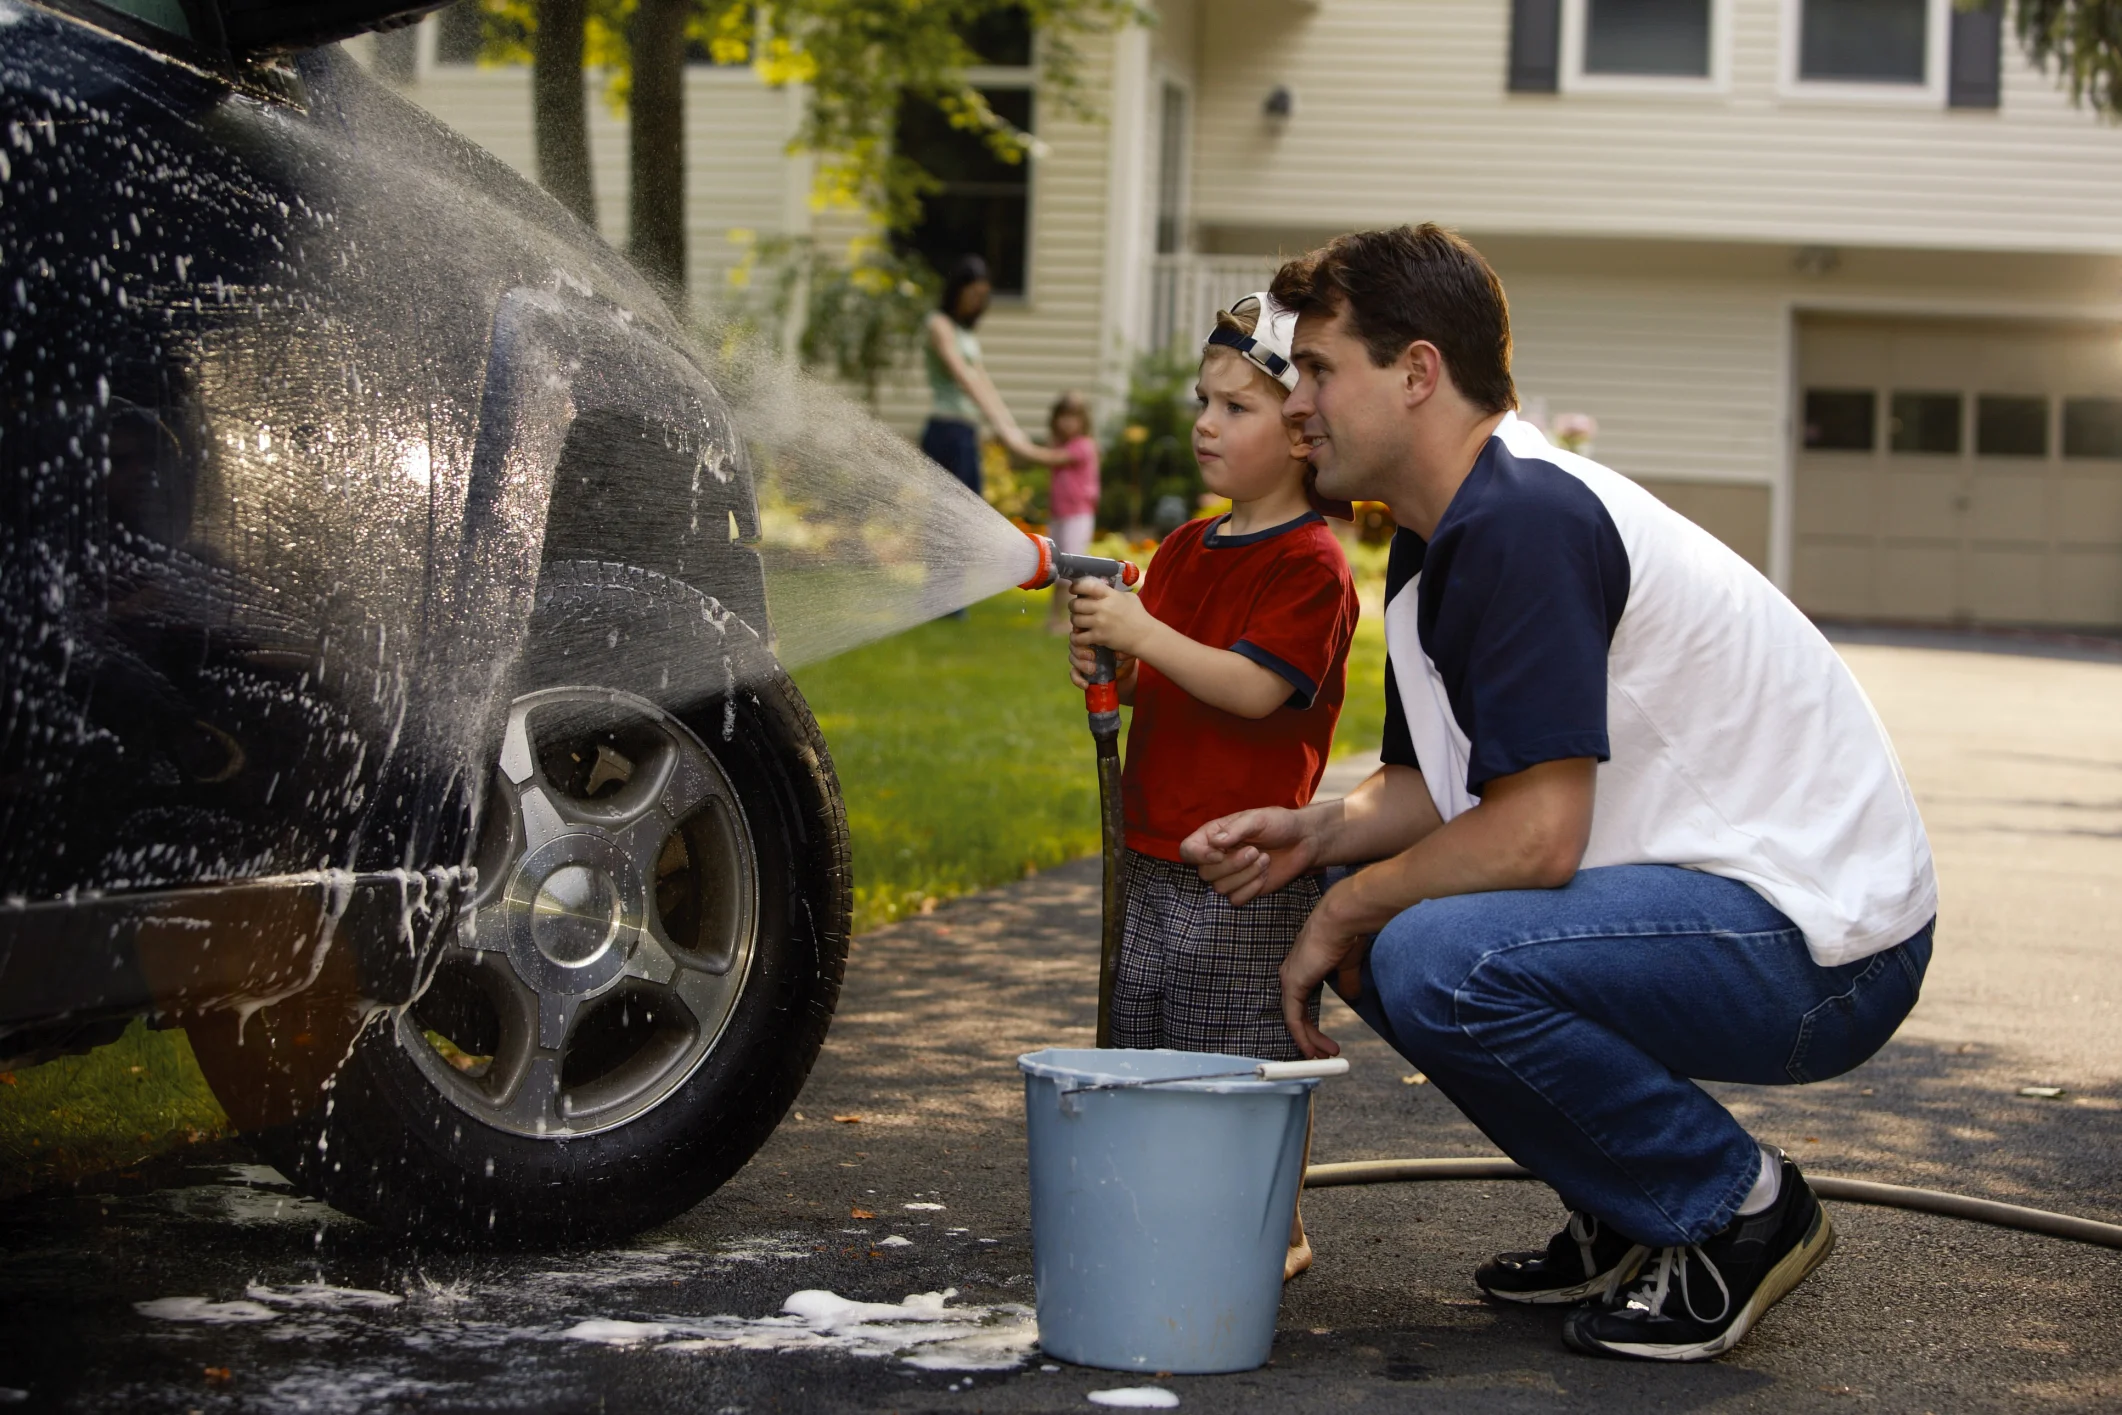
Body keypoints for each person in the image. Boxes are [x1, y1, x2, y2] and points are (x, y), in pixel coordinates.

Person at [1178, 226, 1937, 1362]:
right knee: (1375, 899)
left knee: (1433, 951)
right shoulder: (1443, 541)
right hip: (1715, 902)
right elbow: (1440, 793)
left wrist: (1343, 906)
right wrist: (1318, 831)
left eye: (1324, 370)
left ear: (1418, 372)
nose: (1298, 405)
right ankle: (1630, 1204)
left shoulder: (1525, 518)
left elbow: (1533, 836)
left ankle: (1734, 1207)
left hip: (1823, 946)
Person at [1067, 293, 1359, 1282]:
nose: (1204, 421)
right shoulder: (1190, 548)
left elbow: (1252, 686)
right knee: (1146, 1038)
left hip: (1244, 869)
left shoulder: (1309, 566)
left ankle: (1267, 1230)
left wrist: (1143, 633)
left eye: (1236, 406)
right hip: (1153, 855)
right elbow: (1167, 671)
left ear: (1302, 429)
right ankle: (1166, 1208)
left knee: (1234, 1054)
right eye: (1203, 399)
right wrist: (1115, 658)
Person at [1043, 390, 1101, 634]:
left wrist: (1018, 445)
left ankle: (1072, 621)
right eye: (1063, 417)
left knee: (1071, 573)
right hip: (1060, 515)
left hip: (1077, 516)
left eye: (1073, 417)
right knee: (1054, 570)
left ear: (1083, 421)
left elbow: (1048, 458)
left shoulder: (1083, 447)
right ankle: (1054, 619)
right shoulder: (1061, 445)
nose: (1067, 423)